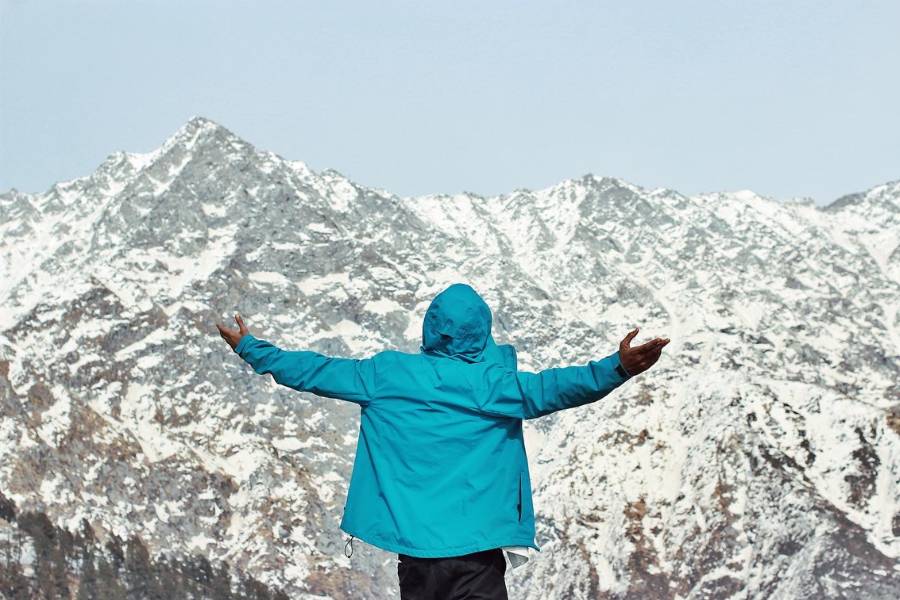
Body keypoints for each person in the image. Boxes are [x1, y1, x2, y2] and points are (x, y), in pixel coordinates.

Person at [216, 282, 669, 599]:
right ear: (482, 332)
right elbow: (557, 387)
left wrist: (250, 347)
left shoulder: (384, 375)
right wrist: (619, 367)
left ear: (431, 327)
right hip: (478, 556)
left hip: (416, 558)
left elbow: (312, 370)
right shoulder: (496, 387)